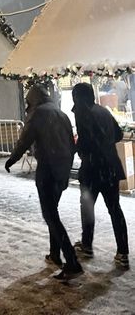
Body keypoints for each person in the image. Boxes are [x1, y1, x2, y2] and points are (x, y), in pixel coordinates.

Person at [5, 84, 82, 281]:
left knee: (50, 215)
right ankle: (54, 253)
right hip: (62, 168)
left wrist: (12, 159)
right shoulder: (60, 113)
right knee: (52, 212)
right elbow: (71, 143)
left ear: (32, 100)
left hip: (47, 167)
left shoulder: (38, 114)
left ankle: (72, 262)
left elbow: (24, 140)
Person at [72, 83, 129, 269]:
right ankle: (123, 253)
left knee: (87, 206)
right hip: (110, 167)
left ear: (78, 97)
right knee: (115, 209)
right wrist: (106, 145)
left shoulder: (83, 111)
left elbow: (87, 141)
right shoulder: (103, 111)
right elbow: (119, 134)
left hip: (93, 169)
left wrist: (78, 148)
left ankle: (87, 245)